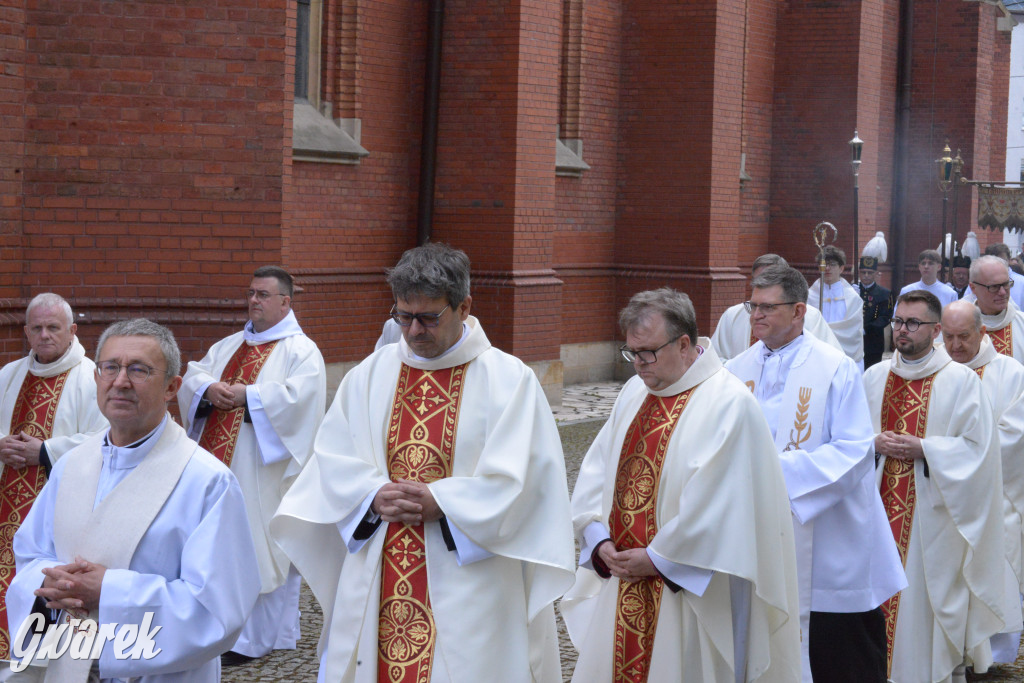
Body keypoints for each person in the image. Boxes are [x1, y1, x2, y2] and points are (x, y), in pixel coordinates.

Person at [270, 243, 575, 683]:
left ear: (464, 306)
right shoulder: (370, 374)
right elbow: (332, 457)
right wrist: (372, 492)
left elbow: (526, 482)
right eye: (403, 316)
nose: (413, 330)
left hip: (470, 575)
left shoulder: (509, 381)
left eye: (429, 318)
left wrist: (443, 501)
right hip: (380, 566)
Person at [562, 287, 801, 682]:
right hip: (621, 582)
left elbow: (723, 507)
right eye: (632, 353)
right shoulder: (635, 392)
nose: (638, 365)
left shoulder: (728, 403)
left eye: (648, 353)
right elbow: (596, 471)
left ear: (685, 343)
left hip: (687, 595)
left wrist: (657, 558)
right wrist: (598, 537)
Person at [7, 318, 261, 682]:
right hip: (67, 661)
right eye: (110, 367)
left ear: (172, 387)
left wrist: (109, 592)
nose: (120, 381)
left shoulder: (207, 481)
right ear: (97, 378)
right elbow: (31, 554)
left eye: (139, 369)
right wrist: (53, 582)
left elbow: (218, 607)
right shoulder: (71, 465)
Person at [725, 266, 906, 682]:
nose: (756, 315)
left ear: (799, 311)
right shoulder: (734, 371)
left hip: (828, 542)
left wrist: (771, 478)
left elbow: (853, 451)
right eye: (753, 305)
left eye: (768, 307)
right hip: (757, 535)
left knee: (837, 656)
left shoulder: (835, 367)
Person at [177, 265, 326, 663]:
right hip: (216, 463)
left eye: (263, 295)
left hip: (261, 471)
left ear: (285, 302)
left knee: (259, 548)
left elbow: (301, 401)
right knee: (214, 545)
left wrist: (250, 396)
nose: (254, 301)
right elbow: (194, 374)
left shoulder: (301, 351)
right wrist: (208, 388)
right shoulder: (229, 345)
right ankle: (212, 629)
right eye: (251, 293)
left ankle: (254, 639)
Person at [864, 291, 1005, 682]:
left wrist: (925, 448)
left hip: (934, 520)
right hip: (876, 514)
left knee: (923, 609)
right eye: (898, 322)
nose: (902, 330)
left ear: (936, 330)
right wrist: (872, 444)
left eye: (912, 323)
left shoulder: (960, 381)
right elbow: (847, 439)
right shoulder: (874, 377)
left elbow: (980, 451)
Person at [0, 293, 108, 665]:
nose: (44, 335)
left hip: (57, 508)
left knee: (48, 578)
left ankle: (46, 658)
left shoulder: (92, 378)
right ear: (26, 331)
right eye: (37, 328)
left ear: (72, 330)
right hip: (6, 503)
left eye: (53, 328)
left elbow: (105, 439)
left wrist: (45, 451)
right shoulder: (9, 375)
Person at [942, 300, 1024, 664]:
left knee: (998, 564)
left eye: (964, 337)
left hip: (998, 493)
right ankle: (954, 648)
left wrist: (966, 462)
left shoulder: (1011, 373)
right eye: (948, 337)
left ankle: (996, 653)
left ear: (983, 333)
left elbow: (1015, 435)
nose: (956, 346)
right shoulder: (938, 372)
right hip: (946, 495)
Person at [712, 254, 842, 360]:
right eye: (759, 281)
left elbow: (829, 362)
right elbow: (716, 361)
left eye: (768, 307)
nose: (757, 315)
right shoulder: (733, 315)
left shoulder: (810, 317)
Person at [807, 245, 865, 371]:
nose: (827, 268)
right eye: (824, 264)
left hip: (844, 357)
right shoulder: (810, 296)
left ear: (841, 268)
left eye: (832, 264)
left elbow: (853, 333)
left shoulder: (852, 298)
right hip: (817, 358)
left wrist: (826, 333)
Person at [965, 255, 1024, 365]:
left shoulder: (1022, 324)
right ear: (973, 288)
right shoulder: (959, 325)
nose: (1002, 292)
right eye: (994, 287)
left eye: (1006, 284)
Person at [859, 256, 892, 368]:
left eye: (870, 272)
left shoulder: (884, 293)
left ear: (876, 273)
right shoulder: (852, 290)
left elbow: (885, 317)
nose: (866, 275)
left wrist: (866, 329)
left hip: (873, 342)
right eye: (863, 272)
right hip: (854, 340)